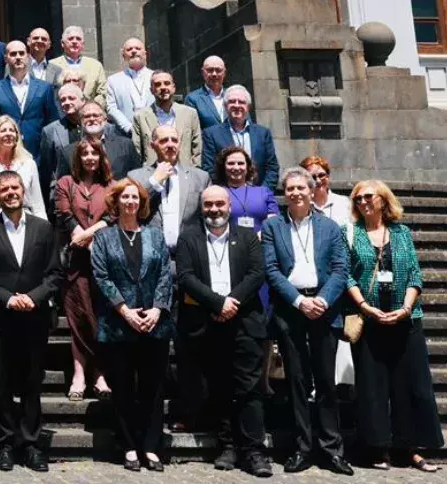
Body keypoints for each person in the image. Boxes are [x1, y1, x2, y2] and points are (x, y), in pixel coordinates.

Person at [173, 186, 274, 477]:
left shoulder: (248, 236)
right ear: (201, 208)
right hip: (208, 322)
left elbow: (257, 273)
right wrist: (218, 304)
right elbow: (186, 277)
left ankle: (254, 450)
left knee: (249, 388)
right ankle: (227, 445)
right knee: (219, 388)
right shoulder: (189, 237)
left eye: (219, 203)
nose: (214, 209)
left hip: (244, 321)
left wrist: (231, 302)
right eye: (208, 205)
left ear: (230, 206)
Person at [261, 167, 354, 475]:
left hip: (324, 310)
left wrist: (322, 300)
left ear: (312, 191)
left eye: (301, 188)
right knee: (297, 382)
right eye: (290, 189)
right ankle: (302, 447)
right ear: (284, 193)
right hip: (291, 310)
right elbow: (271, 269)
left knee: (326, 382)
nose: (296, 193)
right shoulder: (273, 226)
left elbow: (341, 268)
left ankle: (331, 449)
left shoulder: (330, 226)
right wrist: (300, 301)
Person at [346, 180, 444, 472]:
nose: (363, 202)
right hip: (369, 320)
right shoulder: (349, 233)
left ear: (383, 199)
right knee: (372, 387)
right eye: (358, 198)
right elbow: (347, 275)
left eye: (368, 196)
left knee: (409, 385)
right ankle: (377, 448)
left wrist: (405, 308)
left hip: (405, 320)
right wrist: (365, 306)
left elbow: (414, 274)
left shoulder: (402, 233)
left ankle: (409, 449)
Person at [0, 171, 61, 472]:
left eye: (15, 187)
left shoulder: (43, 228)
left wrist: (34, 297)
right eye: (4, 189)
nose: (11, 193)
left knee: (32, 383)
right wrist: (8, 298)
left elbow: (54, 274)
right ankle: (5, 444)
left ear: (23, 191)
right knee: (3, 384)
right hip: (1, 319)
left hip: (35, 319)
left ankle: (31, 444)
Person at [90, 178, 173, 472]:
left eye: (135, 197)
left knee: (153, 388)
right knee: (123, 388)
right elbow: (101, 276)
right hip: (118, 324)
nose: (130, 202)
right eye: (125, 197)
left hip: (154, 324)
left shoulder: (155, 235)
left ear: (142, 203)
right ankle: (127, 445)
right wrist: (124, 311)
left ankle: (150, 446)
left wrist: (157, 309)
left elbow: (165, 274)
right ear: (116, 202)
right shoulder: (104, 237)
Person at [52, 139, 114, 401]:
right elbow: (64, 214)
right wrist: (81, 236)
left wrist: (88, 235)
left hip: (103, 262)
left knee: (98, 317)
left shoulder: (111, 185)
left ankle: (99, 373)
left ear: (101, 157)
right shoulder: (66, 183)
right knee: (78, 317)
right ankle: (79, 374)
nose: (90, 157)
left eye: (94, 153)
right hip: (74, 262)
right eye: (85, 153)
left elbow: (112, 216)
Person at [127, 126, 211, 252]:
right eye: (164, 141)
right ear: (152, 145)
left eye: (174, 140)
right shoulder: (136, 177)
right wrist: (154, 182)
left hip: (188, 253)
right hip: (150, 251)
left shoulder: (200, 178)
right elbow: (130, 208)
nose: (170, 144)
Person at [0, 41, 60, 163]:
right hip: (6, 156)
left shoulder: (44, 88)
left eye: (21, 53)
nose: (18, 57)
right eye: (13, 54)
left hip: (38, 155)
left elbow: (52, 121)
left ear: (28, 57)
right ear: (6, 59)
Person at [201, 85, 279, 190]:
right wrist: (226, 194)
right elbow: (209, 169)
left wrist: (261, 193)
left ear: (248, 107)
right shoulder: (211, 134)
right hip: (226, 195)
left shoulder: (263, 133)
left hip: (258, 194)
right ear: (225, 106)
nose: (237, 105)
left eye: (241, 102)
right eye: (232, 102)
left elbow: (272, 168)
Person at [51, 101, 142, 181]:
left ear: (105, 120)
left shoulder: (126, 145)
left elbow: (137, 178)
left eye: (96, 115)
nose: (91, 119)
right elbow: (62, 187)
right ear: (80, 122)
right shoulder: (68, 152)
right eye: (87, 116)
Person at [0, 116, 47, 220]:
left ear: (17, 136)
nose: (8, 133)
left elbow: (37, 203)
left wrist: (43, 226)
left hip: (26, 219)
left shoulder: (28, 164)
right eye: (3, 131)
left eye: (12, 130)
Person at [133, 71, 202, 167]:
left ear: (174, 87)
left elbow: (197, 149)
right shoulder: (140, 117)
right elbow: (137, 153)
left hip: (185, 172)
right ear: (151, 90)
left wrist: (195, 172)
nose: (163, 87)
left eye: (167, 83)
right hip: (153, 172)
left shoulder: (190, 114)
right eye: (157, 84)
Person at [213, 147, 278, 233]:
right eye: (231, 163)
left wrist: (260, 236)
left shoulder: (264, 192)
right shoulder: (217, 193)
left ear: (248, 167)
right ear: (223, 167)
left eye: (241, 163)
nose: (236, 167)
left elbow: (273, 222)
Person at [44, 26, 108, 106]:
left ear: (83, 44)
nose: (74, 41)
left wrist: (90, 108)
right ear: (62, 43)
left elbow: (102, 93)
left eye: (78, 39)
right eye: (70, 39)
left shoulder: (96, 66)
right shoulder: (52, 65)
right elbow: (48, 93)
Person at [105, 38, 154, 136]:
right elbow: (111, 108)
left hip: (154, 132)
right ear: (123, 56)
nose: (134, 51)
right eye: (129, 49)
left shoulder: (155, 76)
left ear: (145, 54)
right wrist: (129, 128)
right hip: (125, 134)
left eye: (138, 48)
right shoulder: (113, 80)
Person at [185, 56, 246, 130]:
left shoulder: (235, 95)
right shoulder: (193, 99)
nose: (214, 74)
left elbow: (247, 123)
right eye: (210, 70)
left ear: (224, 73)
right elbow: (193, 130)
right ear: (203, 72)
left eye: (218, 70)